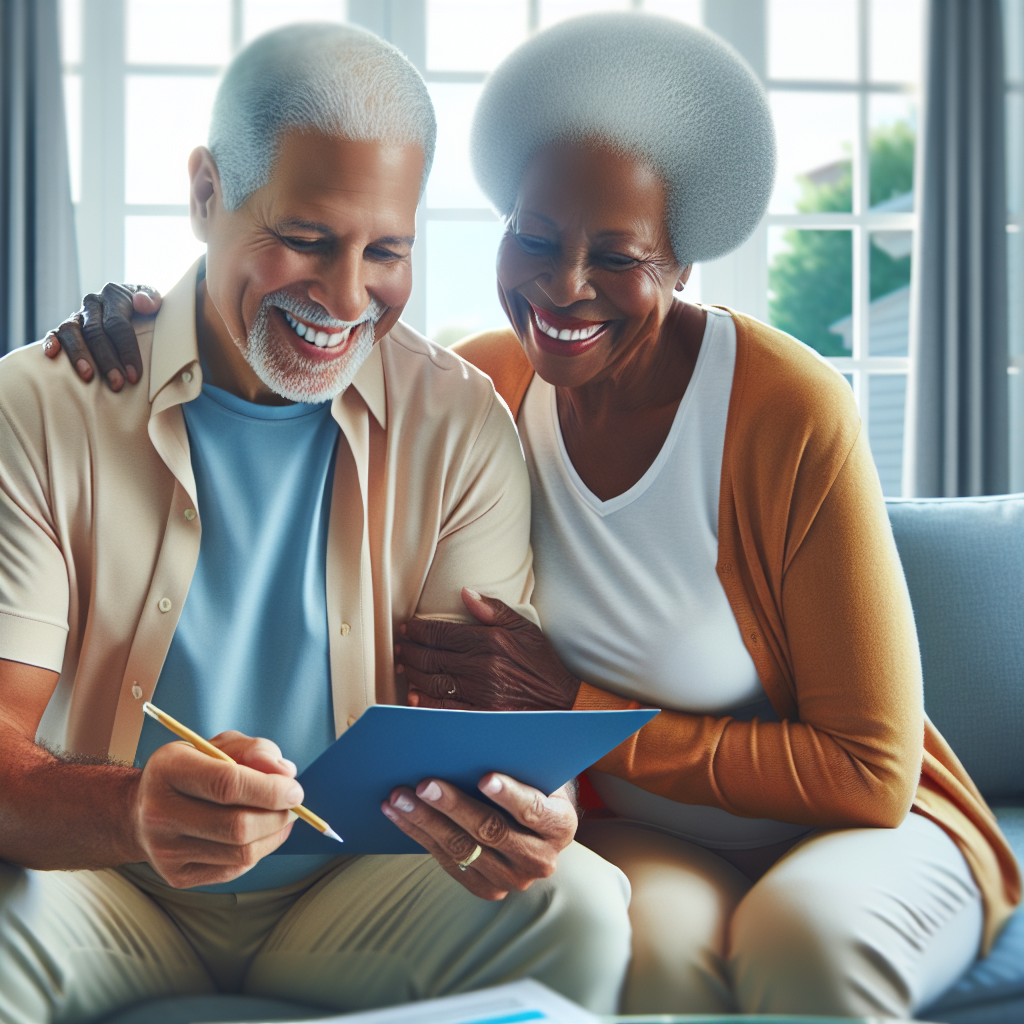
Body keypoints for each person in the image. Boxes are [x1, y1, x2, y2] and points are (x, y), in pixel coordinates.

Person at [49, 12, 1021, 1019]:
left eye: (618, 255)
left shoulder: (785, 407)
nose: (564, 286)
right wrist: (161, 310)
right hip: (658, 829)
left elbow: (868, 769)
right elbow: (307, 332)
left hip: (864, 824)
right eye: (537, 238)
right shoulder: (491, 388)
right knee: (645, 949)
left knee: (803, 943)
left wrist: (573, 709)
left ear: (681, 262)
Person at [0, 23, 632, 1023]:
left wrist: (515, 815)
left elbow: (473, 737)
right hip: (103, 882)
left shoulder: (459, 422)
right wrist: (129, 808)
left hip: (351, 890)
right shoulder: (42, 405)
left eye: (385, 250)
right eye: (304, 239)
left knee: (581, 908)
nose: (346, 297)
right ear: (206, 194)